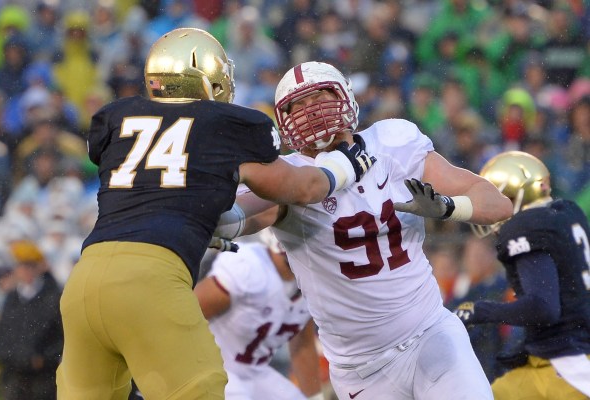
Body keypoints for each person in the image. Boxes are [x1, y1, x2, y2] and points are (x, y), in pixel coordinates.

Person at [55, 30, 376, 400]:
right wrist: (346, 167)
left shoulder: (119, 117)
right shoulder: (226, 123)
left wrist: (199, 214)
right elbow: (298, 188)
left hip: (85, 279)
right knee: (201, 389)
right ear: (210, 80)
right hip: (151, 277)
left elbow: (153, 185)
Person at [214, 61, 513, 400]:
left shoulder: (391, 143)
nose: (310, 111)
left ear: (346, 98)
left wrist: (447, 207)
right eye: (298, 105)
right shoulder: (291, 177)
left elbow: (497, 204)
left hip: (429, 332)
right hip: (362, 370)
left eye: (320, 97)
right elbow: (234, 216)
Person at [455, 150, 590, 400]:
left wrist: (480, 311)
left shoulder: (528, 227)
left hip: (569, 365)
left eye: (495, 197)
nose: (488, 208)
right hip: (545, 360)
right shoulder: (566, 213)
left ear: (516, 196)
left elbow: (543, 308)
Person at [194, 229, 324, 400]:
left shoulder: (309, 286)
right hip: (211, 366)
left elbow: (303, 345)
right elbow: (184, 314)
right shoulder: (249, 266)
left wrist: (314, 397)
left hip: (254, 372)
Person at [0, 240, 63, 400]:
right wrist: (6, 355)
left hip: (43, 379)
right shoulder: (12, 298)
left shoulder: (52, 296)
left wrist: (43, 359)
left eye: (29, 265)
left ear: (38, 267)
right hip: (13, 376)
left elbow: (60, 336)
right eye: (21, 265)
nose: (25, 270)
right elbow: (3, 332)